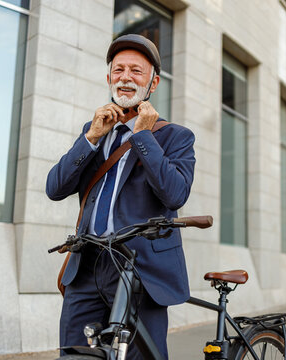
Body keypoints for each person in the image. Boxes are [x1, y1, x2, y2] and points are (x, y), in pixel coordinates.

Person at [46, 34, 196, 359]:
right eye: (118, 70)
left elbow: (175, 193)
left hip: (140, 270)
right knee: (74, 355)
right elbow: (54, 188)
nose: (125, 77)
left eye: (136, 71)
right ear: (109, 77)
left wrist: (142, 135)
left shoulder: (175, 136)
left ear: (153, 82)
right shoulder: (96, 129)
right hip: (87, 265)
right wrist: (89, 139)